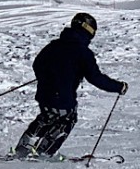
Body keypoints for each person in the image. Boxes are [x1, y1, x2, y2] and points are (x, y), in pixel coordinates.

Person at [13, 13, 127, 159]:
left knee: (47, 117)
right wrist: (118, 86)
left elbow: (37, 64)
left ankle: (23, 148)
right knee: (67, 120)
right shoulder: (83, 52)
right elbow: (95, 78)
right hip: (63, 96)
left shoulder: (54, 45)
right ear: (88, 31)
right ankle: (44, 153)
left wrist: (48, 77)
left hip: (44, 93)